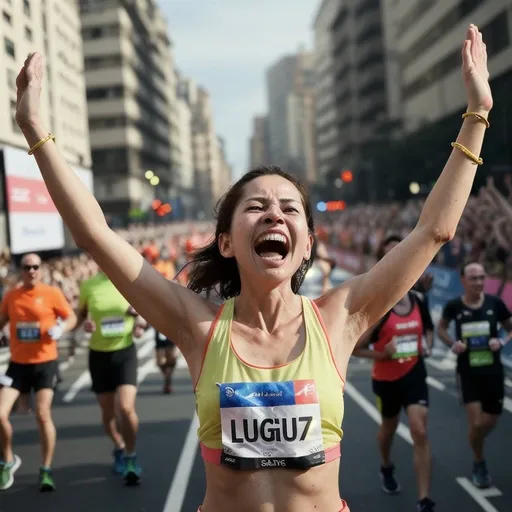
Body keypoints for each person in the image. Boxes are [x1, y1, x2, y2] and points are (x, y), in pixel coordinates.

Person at [15, 24, 491, 511]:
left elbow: (433, 230)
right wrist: (35, 130)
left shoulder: (339, 317)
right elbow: (96, 234)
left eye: (289, 208)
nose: (273, 214)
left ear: (306, 245)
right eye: (256, 206)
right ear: (225, 242)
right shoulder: (197, 326)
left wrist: (477, 113)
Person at [353, 235, 435, 512]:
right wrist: (383, 354)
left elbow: (429, 331)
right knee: (388, 429)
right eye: (390, 256)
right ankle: (386, 465)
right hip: (386, 380)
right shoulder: (380, 309)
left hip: (415, 375)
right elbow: (356, 349)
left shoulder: (419, 300)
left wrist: (429, 344)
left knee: (419, 430)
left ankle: (424, 499)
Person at [0, 253, 77, 491]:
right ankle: (9, 460)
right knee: (0, 414)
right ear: (20, 270)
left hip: (45, 363)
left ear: (40, 270)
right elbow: (1, 320)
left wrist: (61, 327)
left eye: (35, 267)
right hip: (18, 364)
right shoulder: (11, 296)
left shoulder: (52, 293)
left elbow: (71, 316)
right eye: (27, 267)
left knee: (42, 414)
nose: (31, 271)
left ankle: (46, 469)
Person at [437, 262, 512, 489]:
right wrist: (453, 343)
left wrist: (501, 341)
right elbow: (441, 328)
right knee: (477, 423)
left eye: (482, 278)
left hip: (493, 372)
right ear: (463, 281)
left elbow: (510, 328)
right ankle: (479, 462)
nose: (479, 282)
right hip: (468, 372)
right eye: (474, 278)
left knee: (490, 421)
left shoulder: (495, 304)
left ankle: (475, 441)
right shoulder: (453, 306)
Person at [76, 271, 146, 485]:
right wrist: (85, 326)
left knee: (125, 408)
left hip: (125, 352)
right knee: (108, 415)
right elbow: (80, 318)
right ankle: (119, 445)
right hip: (99, 355)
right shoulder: (89, 285)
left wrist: (139, 321)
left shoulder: (127, 280)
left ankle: (131, 457)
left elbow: (144, 314)